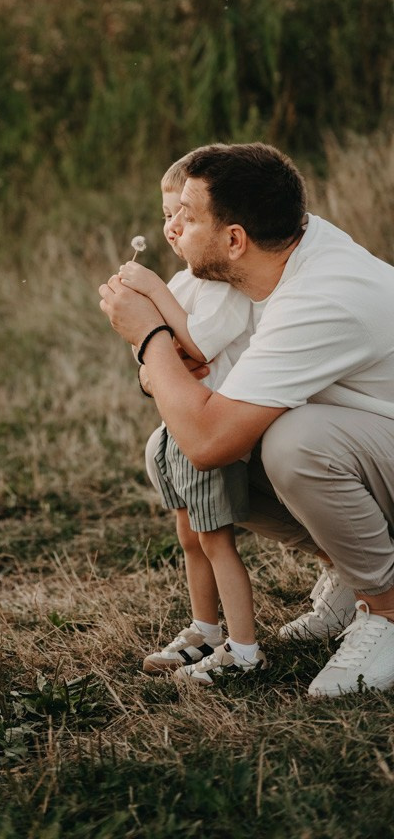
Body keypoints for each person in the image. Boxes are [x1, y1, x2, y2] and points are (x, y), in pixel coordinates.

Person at [99, 142, 394, 698]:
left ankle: (387, 608)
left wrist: (149, 336)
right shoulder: (268, 260)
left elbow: (210, 440)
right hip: (374, 445)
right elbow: (198, 399)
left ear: (234, 240)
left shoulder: (321, 296)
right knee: (166, 448)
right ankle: (348, 568)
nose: (173, 226)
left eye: (188, 216)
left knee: (294, 442)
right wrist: (160, 367)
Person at [120, 158, 266, 685]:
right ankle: (204, 629)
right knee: (189, 536)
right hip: (176, 427)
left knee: (215, 540)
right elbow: (151, 347)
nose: (172, 228)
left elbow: (198, 345)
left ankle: (244, 651)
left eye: (184, 216)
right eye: (166, 216)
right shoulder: (183, 283)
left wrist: (154, 297)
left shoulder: (225, 286)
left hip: (209, 426)